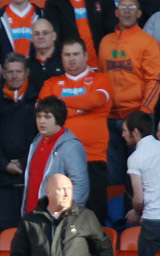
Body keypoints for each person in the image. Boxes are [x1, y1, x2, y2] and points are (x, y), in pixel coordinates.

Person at [38, 38, 113, 222]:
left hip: (93, 157)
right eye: (67, 54)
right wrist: (81, 108)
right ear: (61, 57)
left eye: (76, 54)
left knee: (93, 217)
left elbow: (95, 100)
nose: (72, 59)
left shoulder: (100, 79)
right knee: (61, 217)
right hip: (59, 160)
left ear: (86, 56)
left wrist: (59, 106)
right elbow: (43, 108)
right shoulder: (52, 83)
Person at [98, 0, 160, 187]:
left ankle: (141, 216)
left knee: (140, 175)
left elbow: (154, 80)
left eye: (131, 7)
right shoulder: (105, 42)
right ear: (116, 12)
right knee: (113, 176)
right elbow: (100, 78)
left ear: (139, 13)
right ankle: (117, 218)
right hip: (109, 118)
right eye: (122, 6)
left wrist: (144, 112)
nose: (126, 11)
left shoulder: (147, 42)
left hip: (137, 116)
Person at [0, 54, 39, 233]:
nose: (15, 76)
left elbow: (40, 137)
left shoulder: (38, 100)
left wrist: (23, 163)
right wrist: (4, 165)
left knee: (32, 232)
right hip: (4, 178)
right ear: (4, 75)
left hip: (30, 177)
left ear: (27, 73)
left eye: (19, 71)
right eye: (10, 72)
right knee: (6, 231)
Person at [44, 0, 118, 69]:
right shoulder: (54, 2)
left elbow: (112, 29)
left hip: (103, 66)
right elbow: (54, 39)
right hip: (71, 69)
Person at [122, 111, 160, 256]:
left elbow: (138, 200)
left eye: (125, 131)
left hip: (153, 220)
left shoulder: (136, 158)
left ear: (135, 132)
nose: (123, 135)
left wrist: (134, 213)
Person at [21, 96, 90, 212]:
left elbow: (80, 185)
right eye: (39, 116)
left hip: (55, 218)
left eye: (47, 117)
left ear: (58, 119)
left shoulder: (71, 146)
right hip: (32, 215)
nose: (41, 121)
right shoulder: (37, 140)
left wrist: (68, 215)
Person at [27, 18, 64, 89]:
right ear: (31, 38)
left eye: (45, 33)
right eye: (36, 34)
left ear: (54, 36)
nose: (41, 37)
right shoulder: (26, 65)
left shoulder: (65, 60)